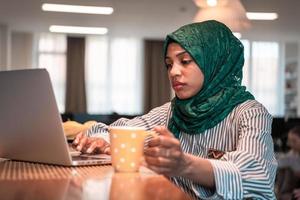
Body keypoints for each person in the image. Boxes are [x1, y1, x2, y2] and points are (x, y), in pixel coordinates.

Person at [73, 20, 277, 199]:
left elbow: (256, 175)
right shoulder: (172, 112)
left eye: (185, 61)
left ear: (214, 62)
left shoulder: (250, 112)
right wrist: (101, 139)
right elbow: (124, 129)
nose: (174, 72)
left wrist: (185, 165)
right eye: (169, 64)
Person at [276, 126, 300, 199]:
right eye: (289, 141)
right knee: (285, 170)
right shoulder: (293, 155)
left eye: (294, 141)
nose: (289, 144)